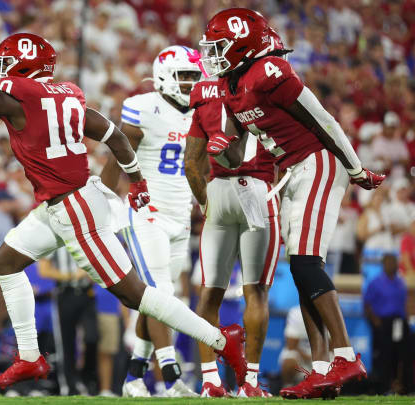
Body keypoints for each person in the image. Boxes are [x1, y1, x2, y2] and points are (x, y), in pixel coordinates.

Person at [0, 19, 247, 390]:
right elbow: (113, 134)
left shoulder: (20, 102)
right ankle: (29, 357)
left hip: (75, 209)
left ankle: (222, 341)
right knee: (6, 262)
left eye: (6, 64)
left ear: (24, 70)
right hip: (61, 204)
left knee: (135, 295)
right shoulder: (67, 95)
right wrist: (137, 180)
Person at [199, 8, 385, 399]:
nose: (213, 55)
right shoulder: (231, 87)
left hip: (316, 162)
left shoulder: (269, 71)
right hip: (290, 173)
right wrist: (220, 149)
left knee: (304, 263)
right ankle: (321, 372)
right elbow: (235, 153)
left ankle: (346, 356)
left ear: (242, 45)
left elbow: (324, 120)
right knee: (303, 273)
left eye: (220, 46)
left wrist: (355, 168)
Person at [184, 30, 283, 397]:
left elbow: (192, 165)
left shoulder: (204, 93)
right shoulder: (270, 85)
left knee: (210, 292)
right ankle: (251, 383)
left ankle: (210, 380)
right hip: (257, 189)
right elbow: (287, 151)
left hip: (218, 190)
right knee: (255, 292)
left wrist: (208, 204)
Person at [99, 45, 201, 398]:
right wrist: (101, 199)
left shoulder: (199, 112)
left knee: (156, 300)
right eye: (183, 76)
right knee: (162, 295)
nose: (190, 83)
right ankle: (171, 378)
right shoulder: (145, 106)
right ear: (163, 75)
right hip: (146, 212)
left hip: (180, 215)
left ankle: (134, 378)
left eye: (194, 76)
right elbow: (119, 152)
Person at [38, 247, 98, 396]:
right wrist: (71, 276)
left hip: (87, 294)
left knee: (92, 337)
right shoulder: (55, 237)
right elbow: (44, 270)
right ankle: (69, 386)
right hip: (65, 294)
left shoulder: (84, 234)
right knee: (66, 343)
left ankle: (86, 379)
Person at [364, 254, 411, 394]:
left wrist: (406, 318)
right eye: (390, 262)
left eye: (394, 262)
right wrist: (376, 322)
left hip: (399, 323)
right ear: (384, 264)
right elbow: (367, 304)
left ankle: (403, 386)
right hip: (383, 323)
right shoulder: (376, 282)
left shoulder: (400, 282)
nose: (393, 264)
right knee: (384, 355)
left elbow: (404, 302)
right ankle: (383, 387)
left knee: (401, 354)